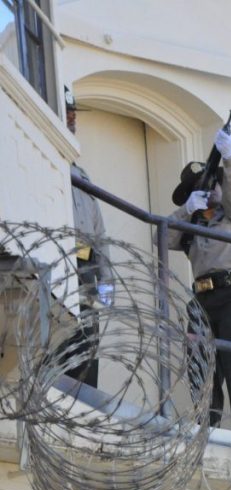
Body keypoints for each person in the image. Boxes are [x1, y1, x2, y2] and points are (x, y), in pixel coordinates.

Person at [168, 130, 231, 433]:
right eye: (201, 189)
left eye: (212, 184)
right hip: (202, 299)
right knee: (200, 367)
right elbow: (164, 235)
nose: (210, 192)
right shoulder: (191, 223)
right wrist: (187, 210)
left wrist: (230, 159)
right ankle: (205, 429)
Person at [65, 87, 114, 387]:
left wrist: (106, 280)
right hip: (61, 265)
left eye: (73, 114)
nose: (72, 119)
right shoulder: (51, 166)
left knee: (87, 342)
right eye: (67, 113)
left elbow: (100, 234)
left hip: (85, 271)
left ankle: (85, 404)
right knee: (61, 341)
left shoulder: (82, 176)